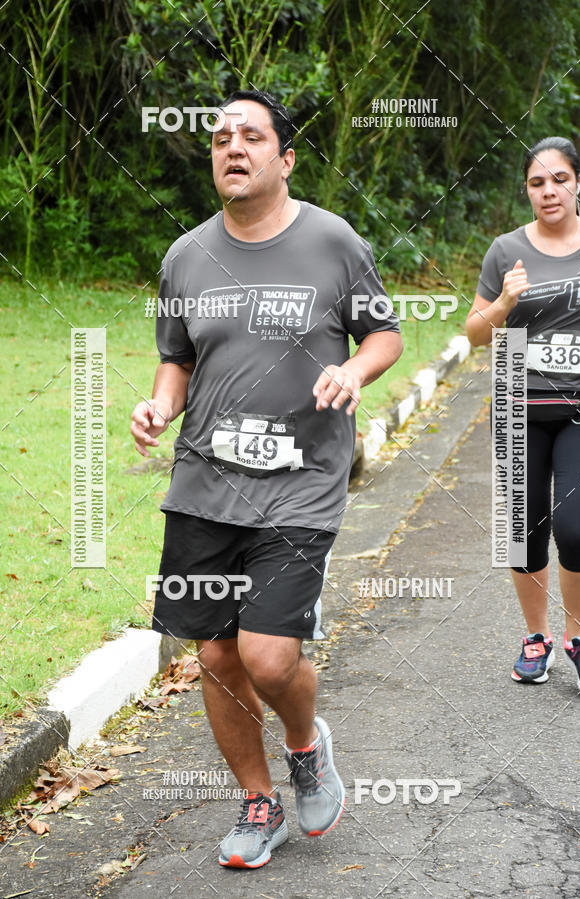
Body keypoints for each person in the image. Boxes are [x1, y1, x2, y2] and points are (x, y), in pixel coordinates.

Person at [130, 89, 403, 868]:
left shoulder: (333, 241)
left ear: (284, 158)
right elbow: (176, 358)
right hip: (205, 483)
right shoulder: (186, 255)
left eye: (250, 136)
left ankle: (305, 743)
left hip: (300, 480)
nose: (232, 147)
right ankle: (258, 802)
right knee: (215, 658)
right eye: (220, 137)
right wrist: (158, 404)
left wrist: (353, 368)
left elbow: (383, 332)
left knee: (269, 656)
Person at [466, 136, 580, 693]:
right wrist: (502, 306)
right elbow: (476, 334)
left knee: (576, 527)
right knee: (522, 533)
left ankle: (579, 640)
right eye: (537, 183)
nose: (549, 191)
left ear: (579, 183)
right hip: (519, 399)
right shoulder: (505, 250)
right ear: (527, 190)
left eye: (559, 180)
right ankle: (536, 638)